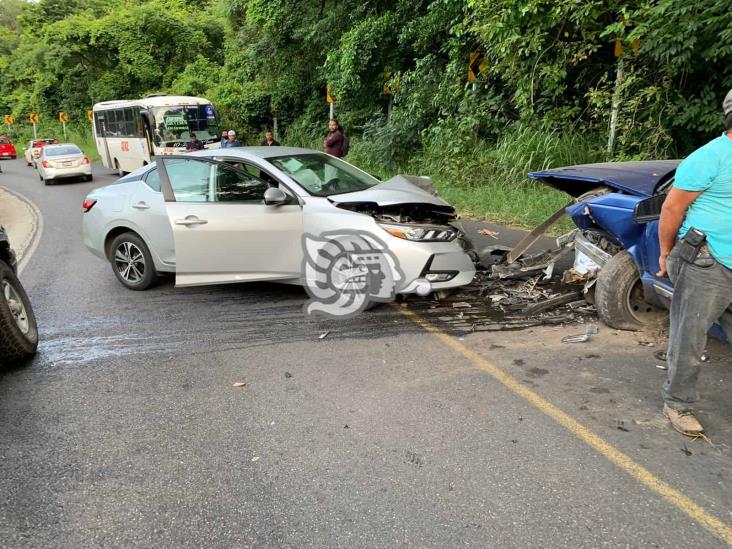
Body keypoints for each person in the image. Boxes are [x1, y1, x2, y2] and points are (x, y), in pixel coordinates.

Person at [657, 89, 732, 437]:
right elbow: (672, 209)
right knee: (691, 337)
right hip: (706, 261)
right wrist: (665, 251)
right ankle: (678, 403)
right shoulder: (710, 157)